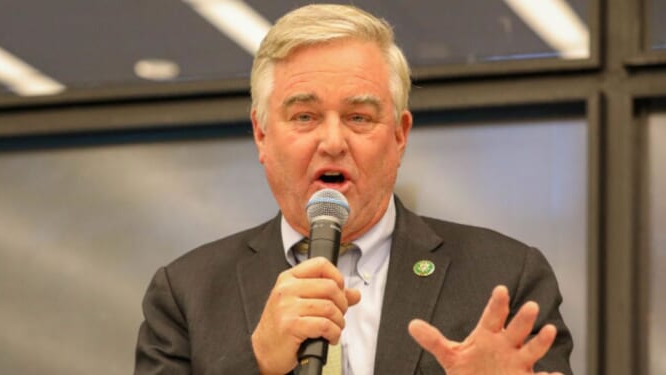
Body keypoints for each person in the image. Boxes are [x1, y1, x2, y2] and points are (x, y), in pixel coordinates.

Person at [134, 4, 573, 375]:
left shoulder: (505, 276)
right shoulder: (185, 294)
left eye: (359, 117)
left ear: (400, 136)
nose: (332, 141)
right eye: (304, 116)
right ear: (262, 135)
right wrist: (256, 364)